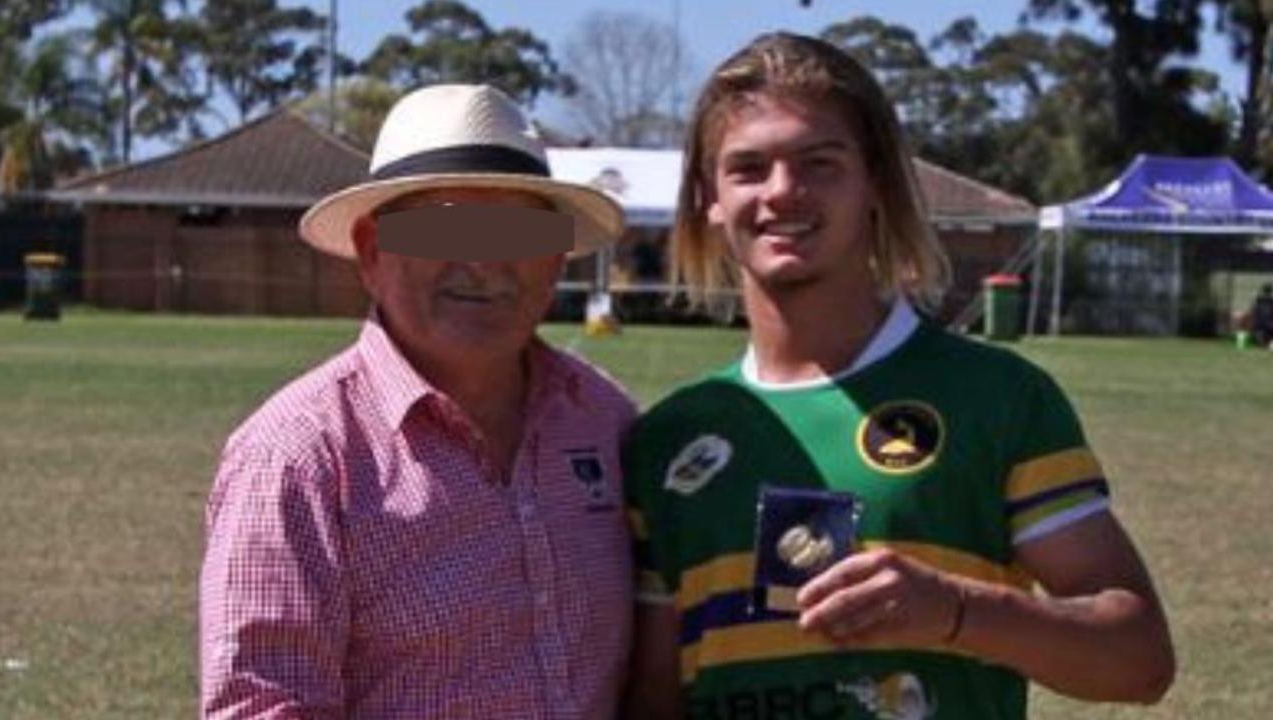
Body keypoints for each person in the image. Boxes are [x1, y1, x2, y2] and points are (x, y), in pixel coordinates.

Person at [623, 33, 1175, 719]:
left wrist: (955, 611)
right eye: (749, 168)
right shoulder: (668, 438)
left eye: (819, 164)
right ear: (709, 196)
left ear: (876, 182)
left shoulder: (996, 398)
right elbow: (653, 700)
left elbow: (1141, 659)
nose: (783, 192)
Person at [199, 84, 637, 719]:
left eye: (516, 232)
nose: (483, 264)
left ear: (556, 257)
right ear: (372, 251)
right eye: (446, 227)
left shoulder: (606, 422)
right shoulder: (298, 458)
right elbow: (264, 707)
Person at [1251, 283, 1273, 347]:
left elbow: (1255, 311)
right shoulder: (1271, 301)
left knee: (1260, 330)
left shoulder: (1259, 300)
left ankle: (1262, 343)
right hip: (1268, 323)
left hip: (1259, 322)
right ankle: (1267, 343)